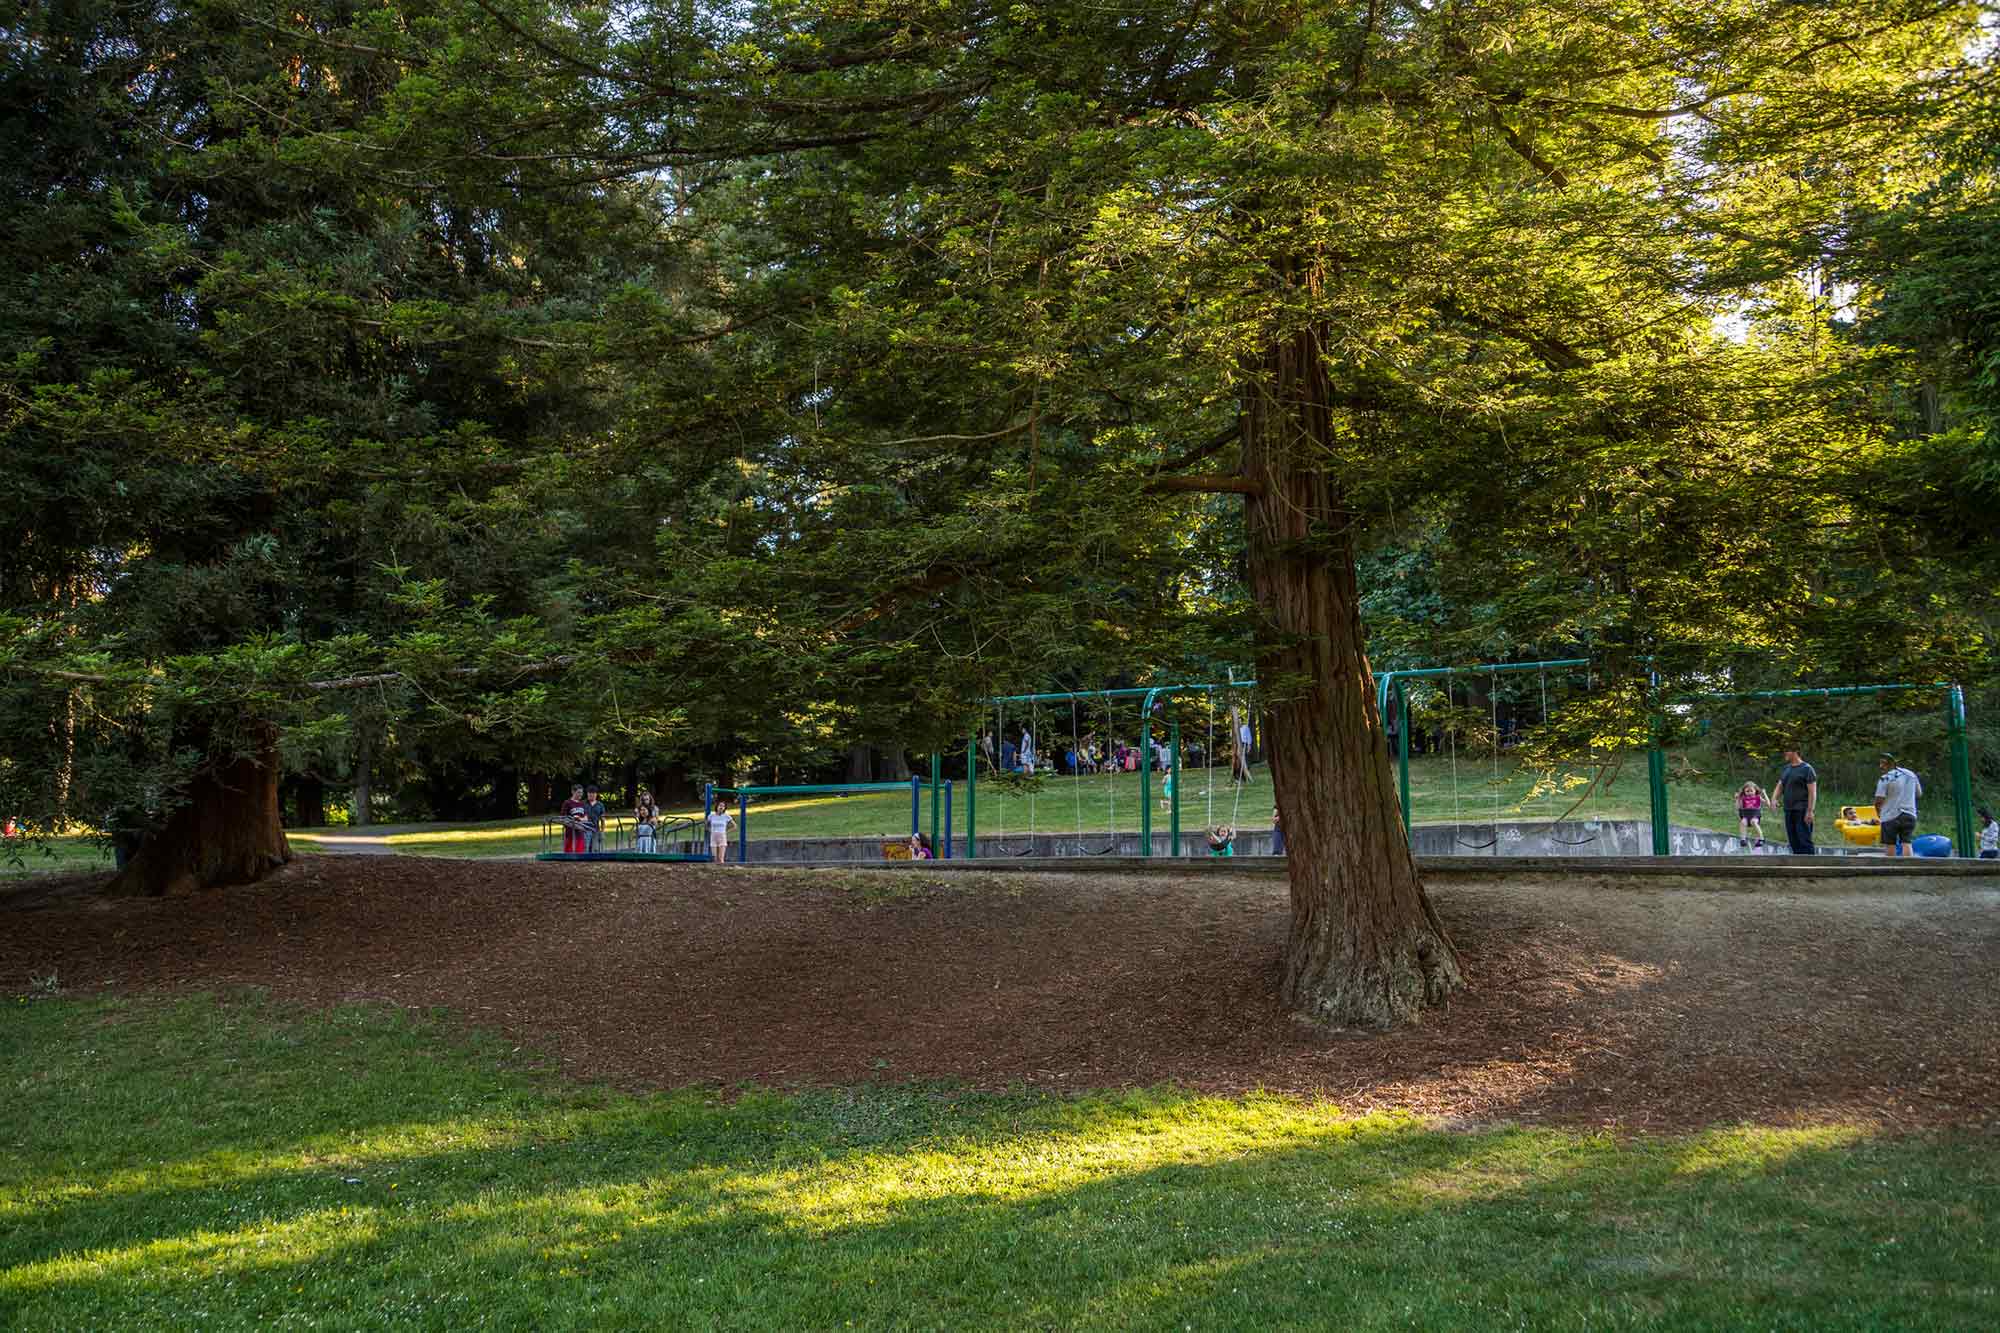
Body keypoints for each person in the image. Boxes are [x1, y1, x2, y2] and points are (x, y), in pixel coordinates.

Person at [1873, 753, 1923, 857]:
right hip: (1909, 813)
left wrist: (1878, 812)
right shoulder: (1911, 774)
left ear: (1891, 763)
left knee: (1890, 844)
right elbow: (1919, 793)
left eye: (1883, 763)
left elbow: (1879, 799)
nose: (1881, 766)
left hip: (1890, 815)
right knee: (1906, 842)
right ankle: (1908, 867)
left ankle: (1891, 868)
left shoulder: (1885, 778)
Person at [1774, 748, 1818, 855]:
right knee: (1793, 841)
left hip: (1802, 810)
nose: (1785, 752)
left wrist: (1810, 811)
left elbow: (1812, 792)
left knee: (1804, 840)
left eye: (1787, 750)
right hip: (1789, 810)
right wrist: (1774, 799)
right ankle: (1798, 868)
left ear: (1795, 752)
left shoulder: (1807, 769)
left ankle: (1811, 867)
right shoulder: (1786, 768)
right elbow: (1780, 785)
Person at [1735, 781, 1769, 851]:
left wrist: (1765, 794)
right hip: (1746, 815)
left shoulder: (1758, 797)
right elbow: (1737, 807)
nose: (1749, 793)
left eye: (1751, 791)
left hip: (1755, 815)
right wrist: (1737, 799)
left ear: (1755, 790)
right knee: (1743, 822)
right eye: (1747, 791)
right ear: (1744, 792)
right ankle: (1743, 839)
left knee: (1753, 821)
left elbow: (1768, 804)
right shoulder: (1743, 798)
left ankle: (1761, 838)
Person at [559, 784, 590, 854]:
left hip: (580, 833)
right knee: (569, 853)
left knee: (580, 854)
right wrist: (572, 819)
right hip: (570, 833)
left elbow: (586, 817)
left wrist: (580, 819)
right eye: (578, 792)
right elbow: (563, 817)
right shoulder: (567, 803)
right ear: (573, 792)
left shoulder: (582, 803)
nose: (580, 794)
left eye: (581, 792)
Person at [705, 800, 734, 865]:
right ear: (717, 806)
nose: (721, 807)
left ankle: (722, 870)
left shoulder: (726, 816)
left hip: (722, 836)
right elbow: (706, 825)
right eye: (720, 805)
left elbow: (734, 826)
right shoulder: (711, 815)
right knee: (714, 858)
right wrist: (710, 831)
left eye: (723, 806)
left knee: (721, 859)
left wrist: (726, 832)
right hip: (713, 837)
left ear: (724, 808)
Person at [584, 786, 607, 853]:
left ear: (596, 794)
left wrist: (602, 831)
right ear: (587, 794)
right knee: (586, 848)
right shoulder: (583, 804)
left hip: (595, 829)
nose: (591, 795)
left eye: (593, 793)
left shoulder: (600, 805)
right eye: (589, 793)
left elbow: (603, 819)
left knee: (595, 849)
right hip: (585, 829)